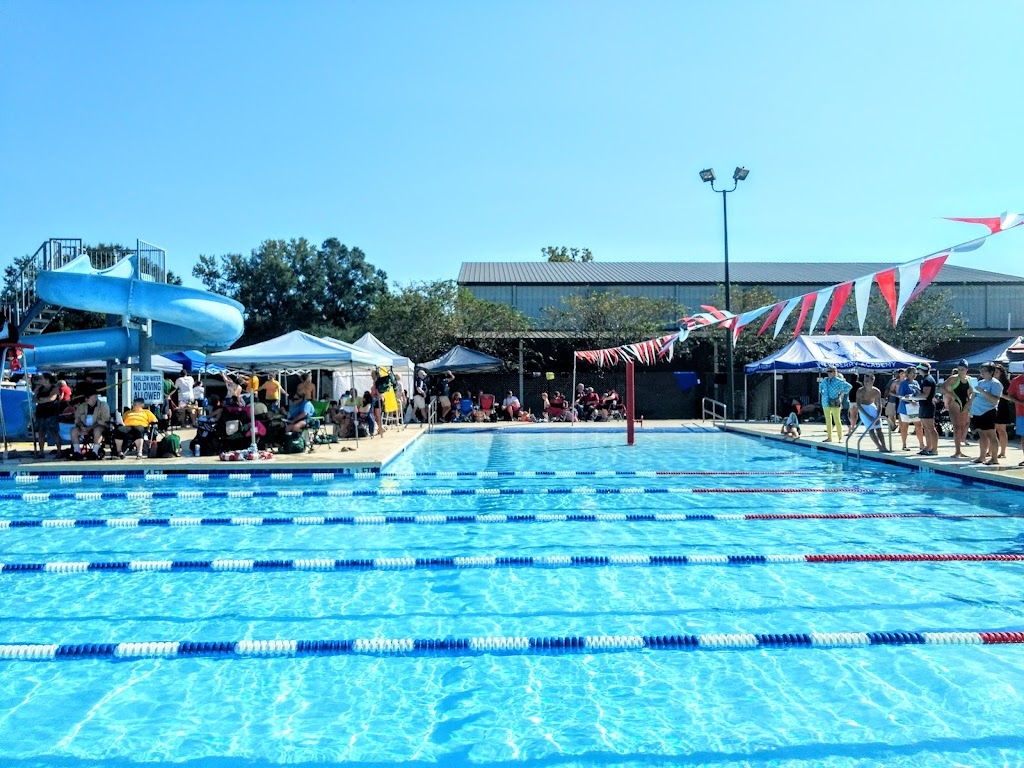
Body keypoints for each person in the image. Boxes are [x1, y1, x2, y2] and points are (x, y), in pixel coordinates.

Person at [969, 363, 1003, 466]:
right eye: (981, 371)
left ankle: (994, 458)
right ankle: (982, 456)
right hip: (977, 411)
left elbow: (994, 399)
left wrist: (983, 391)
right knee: (982, 435)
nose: (982, 373)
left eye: (984, 371)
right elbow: (974, 396)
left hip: (988, 411)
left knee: (991, 434)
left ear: (991, 372)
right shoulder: (979, 382)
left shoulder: (995, 384)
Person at [941, 361, 973, 458]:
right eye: (959, 369)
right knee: (956, 426)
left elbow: (974, 393)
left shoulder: (971, 379)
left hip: (965, 403)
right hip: (955, 402)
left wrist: (969, 403)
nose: (960, 371)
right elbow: (942, 387)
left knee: (963, 426)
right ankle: (957, 451)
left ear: (967, 370)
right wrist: (950, 395)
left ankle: (960, 449)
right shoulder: (954, 378)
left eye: (962, 369)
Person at [854, 373, 889, 452]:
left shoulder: (876, 391)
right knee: (871, 428)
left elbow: (879, 405)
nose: (866, 383)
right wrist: (867, 416)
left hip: (872, 406)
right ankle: (879, 447)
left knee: (879, 428)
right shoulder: (860, 391)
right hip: (863, 408)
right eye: (865, 381)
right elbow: (858, 405)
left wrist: (878, 416)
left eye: (867, 381)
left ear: (872, 381)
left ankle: (884, 446)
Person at [32, 373, 62, 459]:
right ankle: (41, 452)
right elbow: (34, 399)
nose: (40, 380)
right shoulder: (39, 388)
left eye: (41, 378)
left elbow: (51, 398)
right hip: (41, 413)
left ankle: (59, 452)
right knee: (41, 432)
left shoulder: (55, 388)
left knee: (54, 432)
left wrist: (41, 400)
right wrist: (44, 400)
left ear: (47, 379)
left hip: (51, 413)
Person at [819, 367, 852, 442]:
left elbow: (849, 386)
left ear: (835, 372)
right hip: (825, 402)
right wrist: (821, 392)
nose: (829, 373)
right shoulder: (825, 380)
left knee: (837, 420)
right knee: (828, 420)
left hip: (835, 402)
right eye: (828, 371)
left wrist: (841, 392)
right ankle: (829, 437)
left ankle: (840, 437)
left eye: (830, 371)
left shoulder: (838, 381)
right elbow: (820, 387)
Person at [913, 363, 938, 456]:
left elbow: (926, 395)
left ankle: (934, 449)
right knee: (926, 428)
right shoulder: (926, 379)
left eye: (918, 369)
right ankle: (928, 447)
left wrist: (913, 397)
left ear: (921, 369)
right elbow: (924, 393)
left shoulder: (928, 380)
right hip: (924, 405)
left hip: (927, 405)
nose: (917, 371)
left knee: (930, 428)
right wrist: (918, 390)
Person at [897, 366, 924, 452]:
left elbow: (919, 394)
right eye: (912, 373)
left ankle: (921, 444)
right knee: (905, 426)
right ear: (907, 374)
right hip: (905, 408)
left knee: (919, 426)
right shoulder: (903, 384)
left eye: (915, 373)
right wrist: (910, 400)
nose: (914, 375)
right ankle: (904, 444)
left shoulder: (916, 383)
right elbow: (900, 396)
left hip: (915, 407)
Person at [1002, 363, 1024, 467]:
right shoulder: (1016, 380)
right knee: (1023, 437)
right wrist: (1020, 403)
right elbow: (1010, 396)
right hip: (1021, 413)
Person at [993, 363, 1013, 460]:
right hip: (991, 407)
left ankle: (1003, 451)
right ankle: (991, 450)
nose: (995, 374)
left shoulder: (1005, 383)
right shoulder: (989, 381)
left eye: (997, 372)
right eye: (994, 372)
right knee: (990, 430)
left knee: (1001, 430)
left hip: (1002, 407)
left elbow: (1010, 397)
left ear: (1001, 373)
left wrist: (1000, 395)